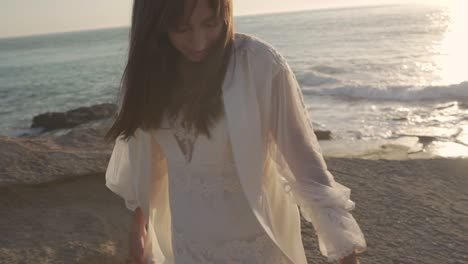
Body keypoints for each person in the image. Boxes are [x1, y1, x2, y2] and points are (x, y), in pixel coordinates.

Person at [104, 0, 367, 263]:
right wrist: (138, 228)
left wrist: (344, 250)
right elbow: (147, 159)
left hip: (253, 246)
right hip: (186, 244)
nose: (198, 42)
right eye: (181, 29)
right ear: (155, 26)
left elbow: (307, 168)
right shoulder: (150, 75)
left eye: (210, 23)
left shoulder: (258, 65)